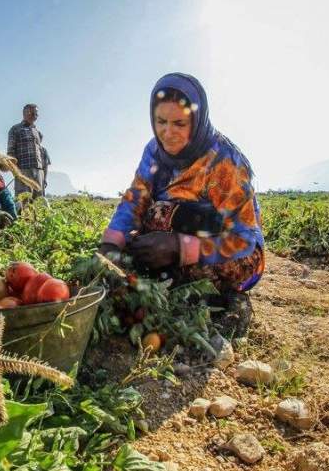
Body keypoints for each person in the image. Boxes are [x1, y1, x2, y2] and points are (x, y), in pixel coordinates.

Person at [99, 73, 264, 331]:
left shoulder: (225, 162)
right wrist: (110, 247)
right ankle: (174, 285)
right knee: (146, 228)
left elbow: (243, 241)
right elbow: (136, 198)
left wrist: (179, 247)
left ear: (197, 122)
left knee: (164, 216)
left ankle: (227, 301)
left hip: (232, 251)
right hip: (175, 239)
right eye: (161, 121)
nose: (168, 133)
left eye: (179, 123)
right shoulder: (153, 151)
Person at [7, 103, 48, 199]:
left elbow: (41, 154)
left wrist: (43, 174)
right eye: (33, 113)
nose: (35, 116)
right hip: (23, 171)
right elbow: (10, 152)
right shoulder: (15, 129)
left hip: (38, 171)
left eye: (36, 114)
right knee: (23, 201)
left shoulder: (37, 132)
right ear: (25, 113)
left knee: (39, 201)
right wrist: (16, 172)